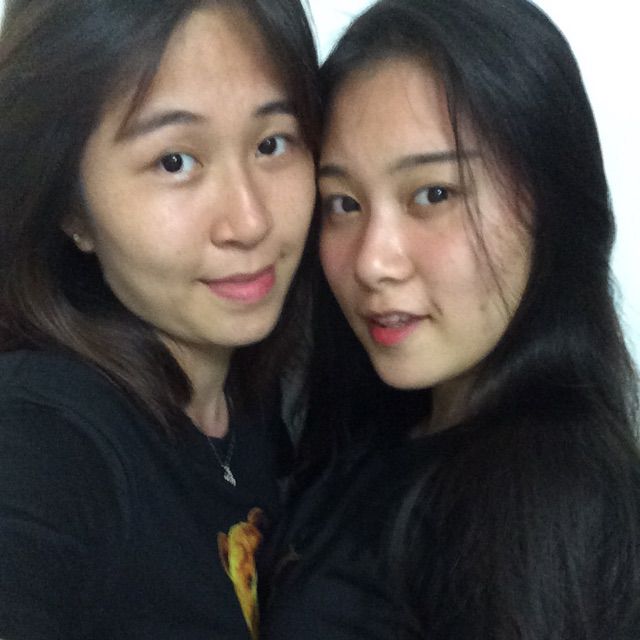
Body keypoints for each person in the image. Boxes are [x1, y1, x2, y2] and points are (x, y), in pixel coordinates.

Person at [262, 0, 640, 638]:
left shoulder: (551, 510)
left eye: (433, 194)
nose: (373, 262)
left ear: (551, 204)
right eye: (343, 203)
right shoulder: (379, 431)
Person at [0, 0, 319, 638]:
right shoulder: (43, 440)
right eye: (175, 161)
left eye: (271, 143)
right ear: (72, 209)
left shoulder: (249, 394)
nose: (250, 221)